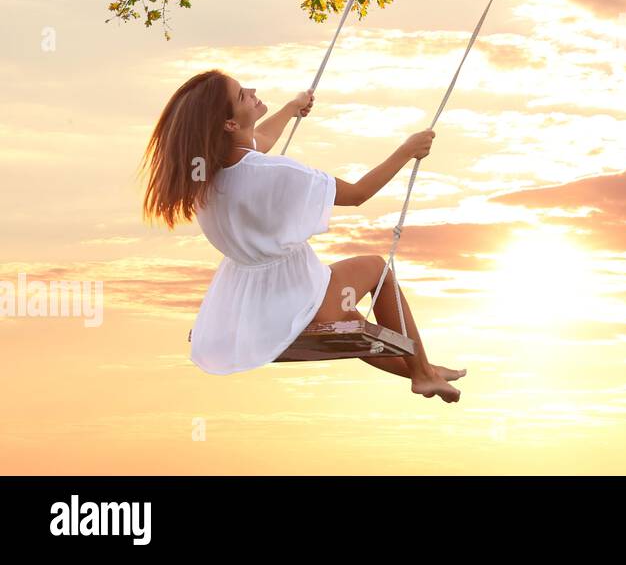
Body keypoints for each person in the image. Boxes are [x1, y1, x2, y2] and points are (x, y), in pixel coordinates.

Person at [140, 69, 464, 402]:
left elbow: (258, 142)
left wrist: (293, 107)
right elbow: (357, 194)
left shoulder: (206, 177)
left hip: (249, 313)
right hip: (300, 305)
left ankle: (424, 369)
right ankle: (423, 373)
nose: (252, 90)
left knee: (349, 315)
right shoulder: (277, 172)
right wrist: (407, 150)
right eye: (241, 95)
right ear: (230, 124)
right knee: (375, 269)